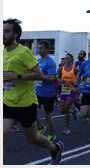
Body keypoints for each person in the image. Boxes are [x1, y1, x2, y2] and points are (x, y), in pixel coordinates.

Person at [3, 18, 63, 164]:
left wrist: (17, 76)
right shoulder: (3, 52)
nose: (3, 34)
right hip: (8, 101)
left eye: (7, 31)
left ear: (16, 34)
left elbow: (39, 75)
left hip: (26, 103)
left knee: (33, 138)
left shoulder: (24, 52)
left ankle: (55, 148)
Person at [35, 40, 57, 141]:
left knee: (47, 115)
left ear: (47, 49)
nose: (39, 50)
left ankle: (52, 133)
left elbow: (53, 78)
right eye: (39, 48)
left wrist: (41, 76)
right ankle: (40, 127)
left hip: (48, 93)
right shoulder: (38, 61)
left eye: (42, 48)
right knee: (31, 111)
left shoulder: (50, 62)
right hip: (38, 91)